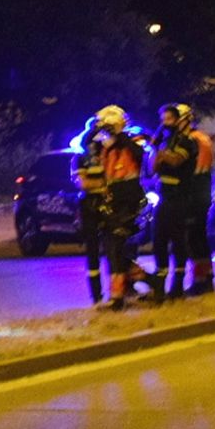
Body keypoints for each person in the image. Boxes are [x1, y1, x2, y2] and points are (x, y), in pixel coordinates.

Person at [96, 105, 162, 309]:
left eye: (106, 126)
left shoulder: (131, 141)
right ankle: (149, 281)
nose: (103, 130)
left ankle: (118, 298)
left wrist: (120, 136)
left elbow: (141, 152)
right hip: (114, 201)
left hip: (128, 201)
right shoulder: (105, 145)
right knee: (113, 251)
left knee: (115, 249)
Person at [150, 104, 199, 300]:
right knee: (158, 241)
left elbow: (176, 161)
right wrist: (156, 150)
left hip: (180, 197)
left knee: (178, 241)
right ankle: (160, 286)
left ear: (178, 120)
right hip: (164, 197)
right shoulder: (164, 141)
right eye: (163, 119)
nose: (165, 123)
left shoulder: (186, 142)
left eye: (169, 118)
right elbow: (153, 167)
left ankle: (177, 286)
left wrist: (162, 154)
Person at [179, 105, 215, 295]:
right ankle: (207, 277)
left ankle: (200, 281)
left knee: (193, 240)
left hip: (193, 196)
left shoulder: (191, 140)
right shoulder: (202, 138)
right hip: (202, 193)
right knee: (200, 238)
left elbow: (186, 170)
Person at [73, 118, 109, 305]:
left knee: (113, 248)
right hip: (89, 206)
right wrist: (104, 184)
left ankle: (118, 289)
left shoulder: (108, 155)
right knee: (93, 251)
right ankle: (96, 295)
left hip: (106, 204)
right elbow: (83, 184)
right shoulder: (79, 158)